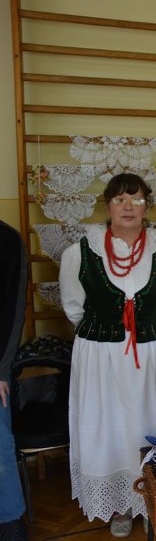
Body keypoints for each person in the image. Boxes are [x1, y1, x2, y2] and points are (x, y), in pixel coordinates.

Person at [59, 173, 156, 537]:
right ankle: (120, 503)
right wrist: (110, 334)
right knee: (111, 428)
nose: (128, 206)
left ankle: (154, 499)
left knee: (154, 422)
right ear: (108, 205)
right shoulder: (78, 253)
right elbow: (73, 307)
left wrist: (147, 330)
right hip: (102, 359)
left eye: (135, 199)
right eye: (119, 199)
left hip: (154, 357)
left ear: (147, 204)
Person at [0, 221, 28, 541]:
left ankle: (10, 524)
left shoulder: (7, 239)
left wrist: (1, 369)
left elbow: (13, 309)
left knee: (0, 448)